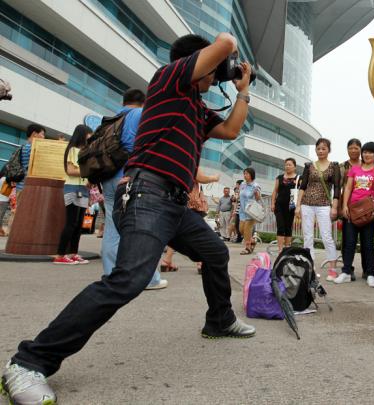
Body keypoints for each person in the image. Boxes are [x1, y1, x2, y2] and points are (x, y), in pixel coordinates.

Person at [2, 32, 255, 404]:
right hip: (146, 193)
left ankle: (219, 320)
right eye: (213, 71)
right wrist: (225, 61)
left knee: (216, 253)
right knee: (129, 279)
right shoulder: (170, 79)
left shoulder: (197, 109)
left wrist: (244, 90)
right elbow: (226, 41)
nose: (217, 77)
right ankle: (28, 362)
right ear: (199, 63)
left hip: (174, 202)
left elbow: (231, 129)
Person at [101, 89, 167, 290]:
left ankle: (112, 274)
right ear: (143, 102)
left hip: (108, 177)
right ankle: (148, 279)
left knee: (112, 227)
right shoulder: (139, 115)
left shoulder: (111, 118)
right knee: (142, 226)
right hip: (130, 175)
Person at [337, 141, 374, 287]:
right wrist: (344, 205)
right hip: (352, 211)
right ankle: (345, 272)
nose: (367, 154)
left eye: (370, 152)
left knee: (368, 245)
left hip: (369, 213)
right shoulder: (355, 169)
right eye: (365, 152)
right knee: (349, 243)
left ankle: (370, 273)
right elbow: (348, 188)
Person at [295, 138, 340, 279]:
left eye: (324, 148)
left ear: (328, 150)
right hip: (307, 204)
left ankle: (333, 268)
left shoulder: (334, 166)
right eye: (318, 148)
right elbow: (302, 186)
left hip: (324, 205)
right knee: (307, 237)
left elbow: (337, 188)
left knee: (327, 236)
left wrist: (335, 207)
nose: (321, 151)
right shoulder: (309, 165)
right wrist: (298, 205)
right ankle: (310, 267)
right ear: (315, 149)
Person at [52, 125, 93, 265]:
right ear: (82, 134)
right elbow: (70, 171)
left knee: (78, 224)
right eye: (89, 135)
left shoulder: (83, 151)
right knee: (71, 223)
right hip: (73, 188)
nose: (90, 138)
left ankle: (73, 253)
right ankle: (60, 255)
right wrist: (88, 173)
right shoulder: (72, 150)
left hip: (83, 189)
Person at [338, 138, 362, 279]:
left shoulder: (366, 164)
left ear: (360, 149)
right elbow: (338, 187)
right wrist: (340, 206)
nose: (353, 150)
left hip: (364, 206)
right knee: (348, 239)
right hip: (348, 205)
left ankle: (367, 270)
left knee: (365, 239)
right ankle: (348, 268)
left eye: (356, 148)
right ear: (347, 150)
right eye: (351, 148)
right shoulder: (342, 167)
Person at [271, 158, 299, 252]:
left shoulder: (298, 178)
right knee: (280, 226)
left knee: (288, 227)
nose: (287, 166)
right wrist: (272, 203)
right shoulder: (279, 177)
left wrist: (299, 206)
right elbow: (275, 191)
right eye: (286, 164)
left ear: (294, 167)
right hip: (279, 205)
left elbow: (301, 192)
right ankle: (280, 249)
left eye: (290, 165)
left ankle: (286, 248)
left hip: (291, 205)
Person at [14, 124, 46, 202]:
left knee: (19, 211)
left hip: (20, 186)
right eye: (42, 134)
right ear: (34, 134)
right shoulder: (32, 148)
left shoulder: (22, 147)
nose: (43, 137)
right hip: (28, 187)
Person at [239, 167, 262, 255]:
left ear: (251, 175)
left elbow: (258, 198)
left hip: (250, 211)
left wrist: (256, 193)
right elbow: (240, 195)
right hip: (242, 210)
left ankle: (247, 248)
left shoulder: (255, 185)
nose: (245, 175)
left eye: (247, 174)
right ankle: (252, 241)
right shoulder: (242, 184)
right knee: (241, 230)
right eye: (244, 173)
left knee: (247, 230)